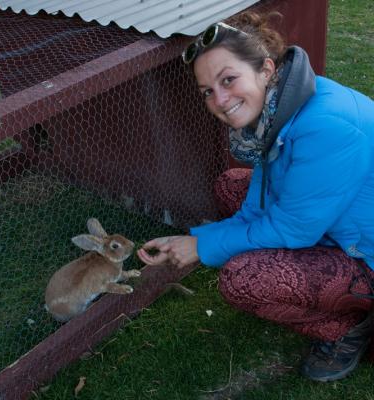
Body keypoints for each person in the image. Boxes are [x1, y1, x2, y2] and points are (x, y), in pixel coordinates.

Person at [137, 11, 374, 382]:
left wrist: (202, 249)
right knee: (231, 184)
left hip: (365, 253)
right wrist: (196, 240)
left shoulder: (326, 125)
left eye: (228, 79)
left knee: (243, 279)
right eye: (207, 91)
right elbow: (259, 206)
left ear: (265, 69)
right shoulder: (277, 112)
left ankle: (349, 329)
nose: (220, 99)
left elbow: (294, 230)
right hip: (340, 226)